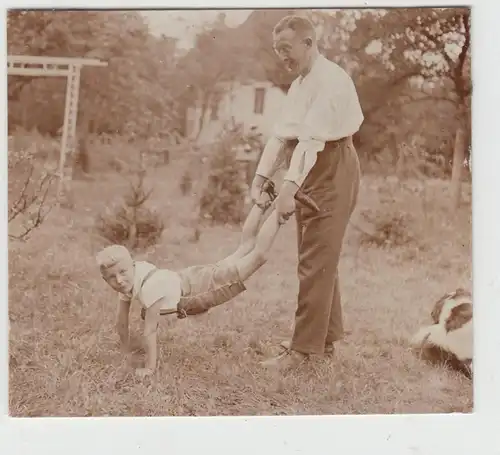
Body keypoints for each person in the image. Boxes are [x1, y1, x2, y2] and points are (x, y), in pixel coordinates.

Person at [251, 15, 364, 369]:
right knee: (317, 256)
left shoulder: (331, 81)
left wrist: (287, 190)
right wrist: (260, 177)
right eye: (277, 51)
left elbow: (312, 141)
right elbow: (283, 136)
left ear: (309, 42)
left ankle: (303, 352)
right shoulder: (300, 85)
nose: (283, 57)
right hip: (312, 164)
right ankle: (324, 339)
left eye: (287, 49)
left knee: (316, 260)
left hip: (334, 166)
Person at [96, 188, 284, 378]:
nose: (119, 280)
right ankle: (263, 200)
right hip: (190, 278)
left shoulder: (148, 288)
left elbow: (150, 330)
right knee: (244, 248)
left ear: (132, 265)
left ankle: (280, 207)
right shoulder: (129, 279)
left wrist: (149, 368)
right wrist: (125, 348)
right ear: (105, 279)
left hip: (199, 289)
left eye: (122, 273)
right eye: (111, 277)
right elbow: (121, 322)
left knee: (257, 256)